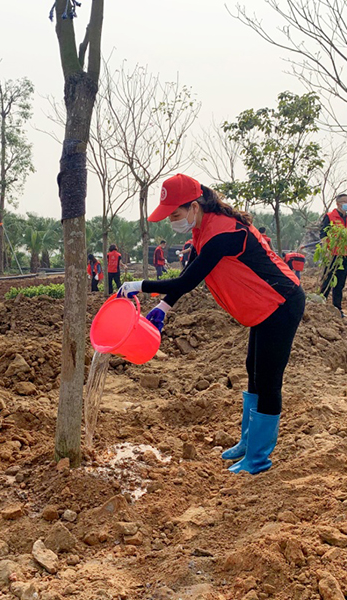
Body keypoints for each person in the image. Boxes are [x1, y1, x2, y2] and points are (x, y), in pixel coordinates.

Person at [117, 174, 304, 475]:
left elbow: (188, 280)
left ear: (194, 206)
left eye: (175, 215)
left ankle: (258, 459)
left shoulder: (223, 234)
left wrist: (137, 284)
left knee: (268, 378)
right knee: (252, 368)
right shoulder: (202, 231)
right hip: (263, 307)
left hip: (281, 303)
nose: (172, 222)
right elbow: (192, 271)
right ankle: (247, 442)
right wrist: (164, 306)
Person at [319, 193, 347, 317]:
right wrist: (326, 251)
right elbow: (323, 235)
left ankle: (338, 309)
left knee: (340, 283)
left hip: (344, 255)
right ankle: (321, 307)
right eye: (345, 201)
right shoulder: (330, 217)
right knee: (328, 281)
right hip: (332, 254)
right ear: (338, 204)